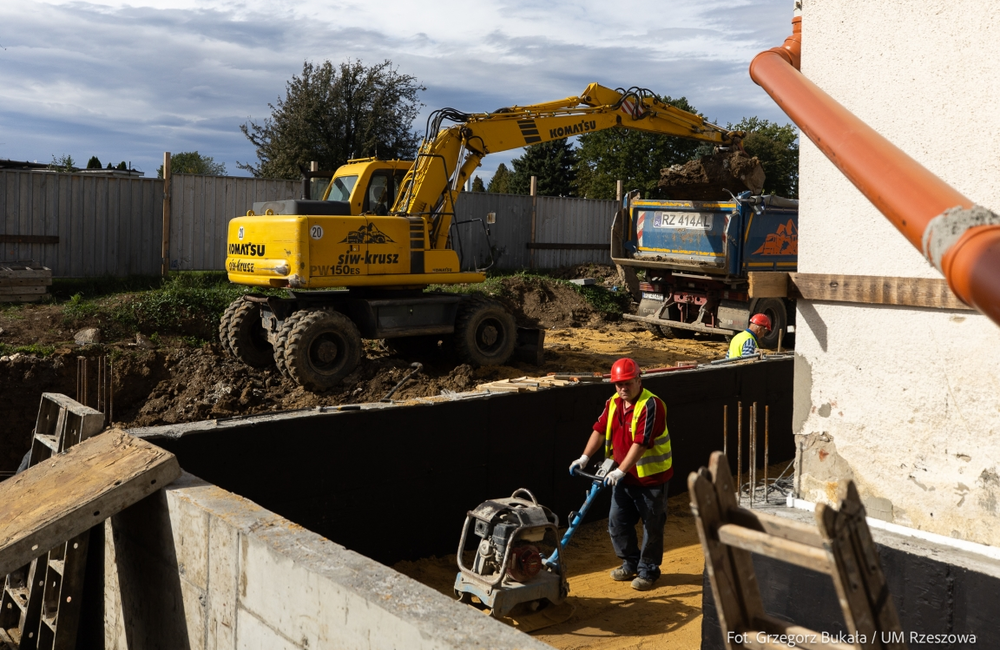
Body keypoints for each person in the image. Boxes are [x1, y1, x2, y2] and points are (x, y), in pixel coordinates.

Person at [568, 357, 672, 591]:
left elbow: (641, 443)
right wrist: (584, 457)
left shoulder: (651, 405)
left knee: (652, 526)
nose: (623, 388)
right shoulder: (613, 402)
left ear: (638, 379)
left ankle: (648, 570)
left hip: (651, 479)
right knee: (617, 522)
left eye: (627, 383)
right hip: (623, 477)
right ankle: (630, 562)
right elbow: (599, 430)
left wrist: (620, 470)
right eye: (618, 384)